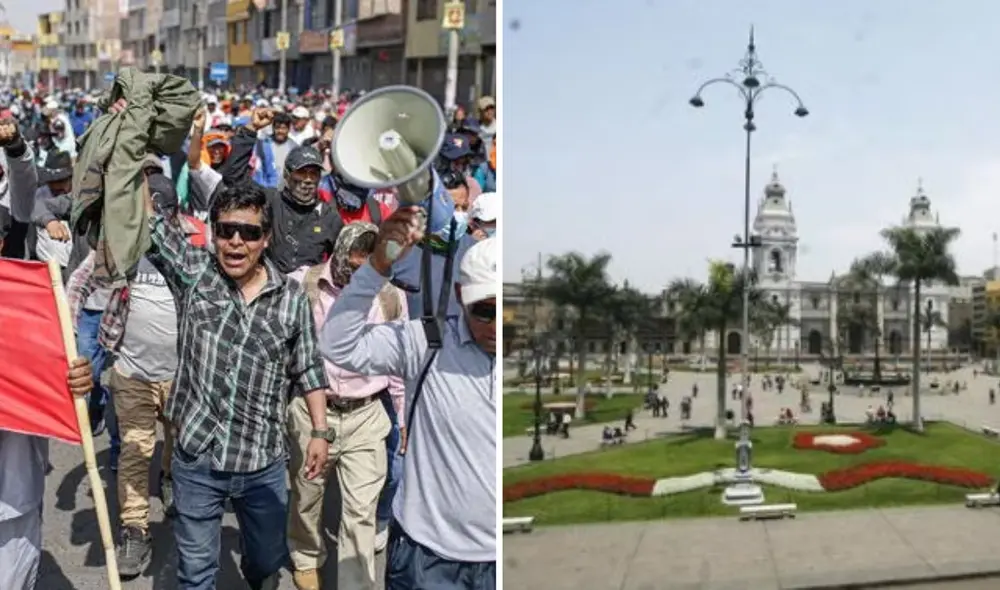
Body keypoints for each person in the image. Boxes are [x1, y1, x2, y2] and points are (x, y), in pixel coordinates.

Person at [141, 176, 333, 590]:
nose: (235, 242)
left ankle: (256, 569)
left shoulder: (291, 299)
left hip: (261, 461)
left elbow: (308, 367)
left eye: (248, 233)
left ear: (266, 239)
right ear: (214, 233)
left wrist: (320, 432)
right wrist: (132, 151)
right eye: (226, 230)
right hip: (198, 454)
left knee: (266, 561)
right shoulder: (195, 272)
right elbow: (151, 224)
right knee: (196, 570)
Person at [320, 215, 496, 589]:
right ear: (461, 294)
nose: (498, 326)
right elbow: (337, 344)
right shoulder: (429, 341)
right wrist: (377, 267)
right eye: (485, 310)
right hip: (427, 559)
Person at [286, 222, 407, 590]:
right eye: (353, 267)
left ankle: (355, 582)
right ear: (338, 255)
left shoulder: (390, 297)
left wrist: (403, 419)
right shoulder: (303, 285)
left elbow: (398, 363)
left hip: (366, 414)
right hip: (312, 409)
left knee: (361, 510)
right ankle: (307, 556)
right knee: (307, 495)